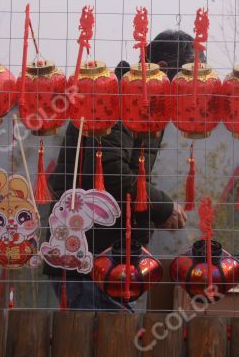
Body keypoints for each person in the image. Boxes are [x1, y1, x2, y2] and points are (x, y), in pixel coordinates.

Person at [44, 29, 198, 310]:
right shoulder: (117, 98)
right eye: (186, 75)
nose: (189, 85)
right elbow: (110, 172)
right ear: (162, 68)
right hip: (88, 254)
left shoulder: (140, 100)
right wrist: (162, 208)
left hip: (104, 253)